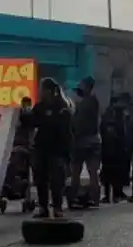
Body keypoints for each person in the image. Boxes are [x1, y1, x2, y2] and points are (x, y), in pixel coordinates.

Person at [25, 77, 73, 218]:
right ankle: (43, 207)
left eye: (42, 89)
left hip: (57, 149)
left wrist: (67, 153)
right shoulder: (39, 107)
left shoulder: (63, 107)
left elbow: (66, 131)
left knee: (57, 180)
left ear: (49, 91)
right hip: (41, 148)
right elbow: (31, 121)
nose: (40, 92)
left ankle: (57, 207)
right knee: (40, 179)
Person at [70, 77, 102, 209]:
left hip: (82, 141)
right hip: (94, 141)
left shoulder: (85, 104)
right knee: (93, 172)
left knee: (76, 171)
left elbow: (78, 123)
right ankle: (95, 198)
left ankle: (73, 197)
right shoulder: (94, 102)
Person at [100, 92, 131, 202]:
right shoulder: (117, 115)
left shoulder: (108, 115)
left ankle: (111, 194)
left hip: (109, 149)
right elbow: (120, 132)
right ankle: (114, 193)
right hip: (115, 149)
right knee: (115, 171)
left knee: (110, 172)